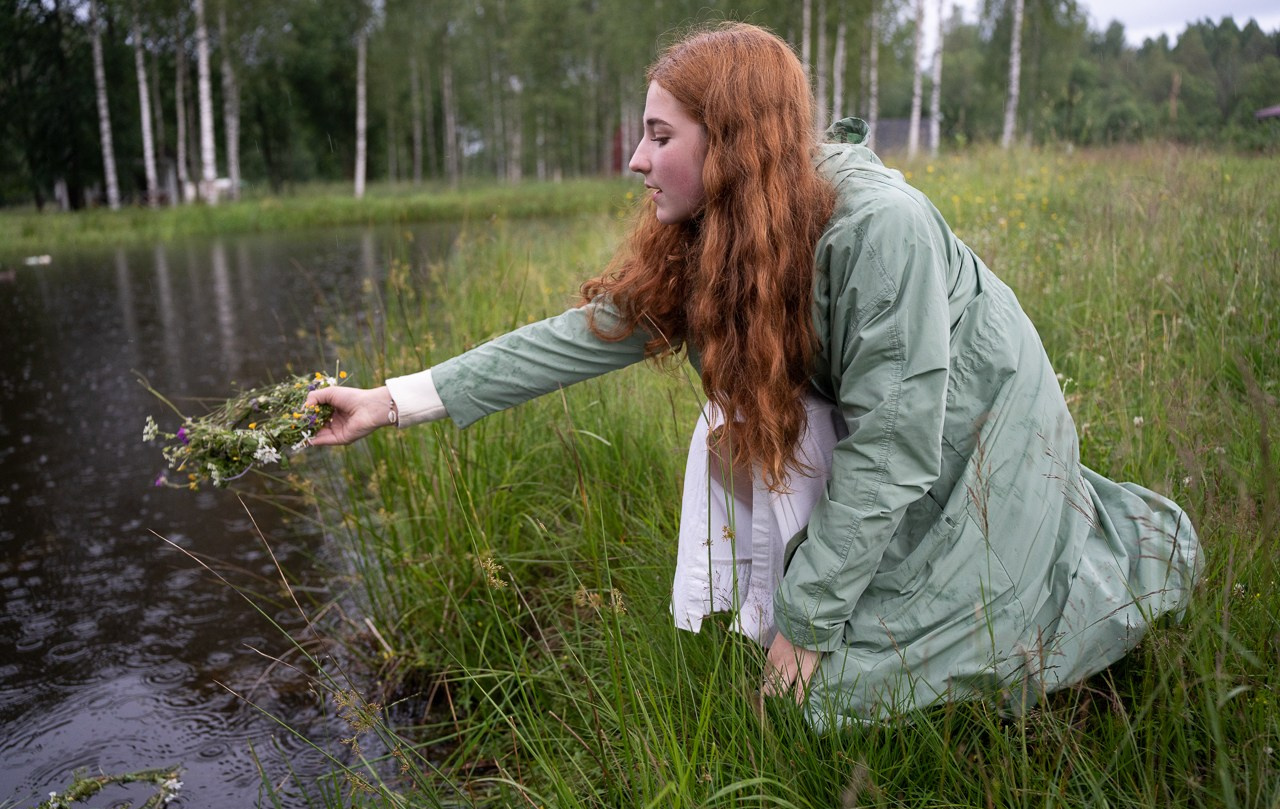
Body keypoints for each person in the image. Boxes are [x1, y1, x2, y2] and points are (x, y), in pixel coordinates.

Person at [306, 22, 1200, 728]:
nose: (636, 160)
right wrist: (387, 403)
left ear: (729, 141)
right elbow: (570, 340)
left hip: (984, 420)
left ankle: (1099, 557)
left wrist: (804, 637)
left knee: (857, 695)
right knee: (827, 674)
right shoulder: (716, 234)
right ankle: (818, 614)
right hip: (901, 432)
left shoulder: (878, 229)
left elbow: (893, 444)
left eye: (660, 136)